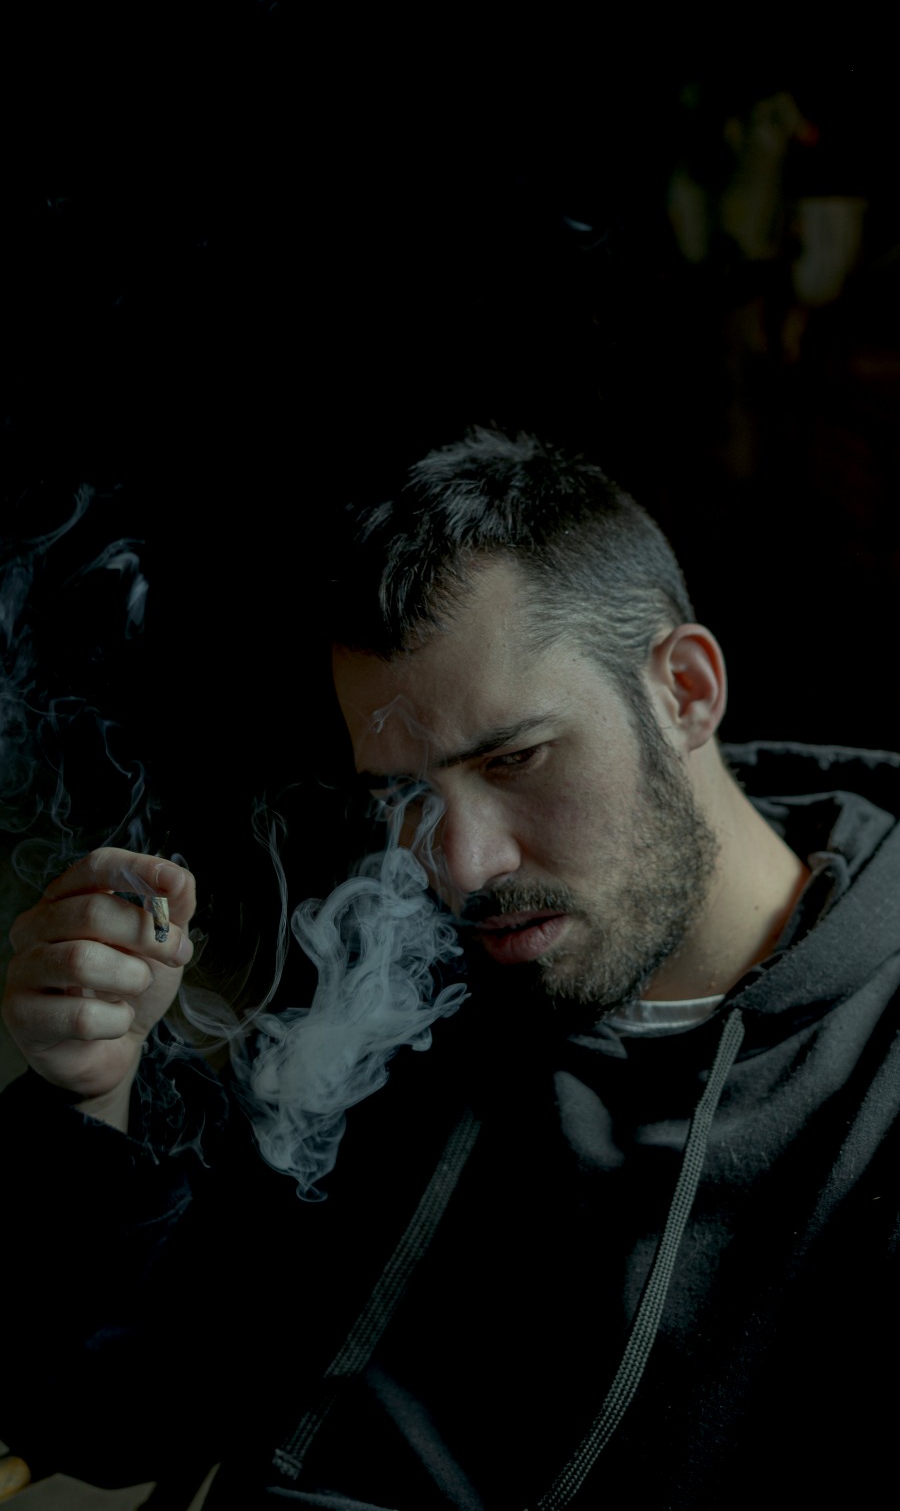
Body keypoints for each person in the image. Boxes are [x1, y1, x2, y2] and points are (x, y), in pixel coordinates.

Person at [2, 427, 899, 1510]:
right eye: (404, 793)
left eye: (515, 758)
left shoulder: (878, 1090)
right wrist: (89, 1104)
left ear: (686, 690)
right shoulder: (401, 979)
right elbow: (103, 1409)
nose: (462, 866)